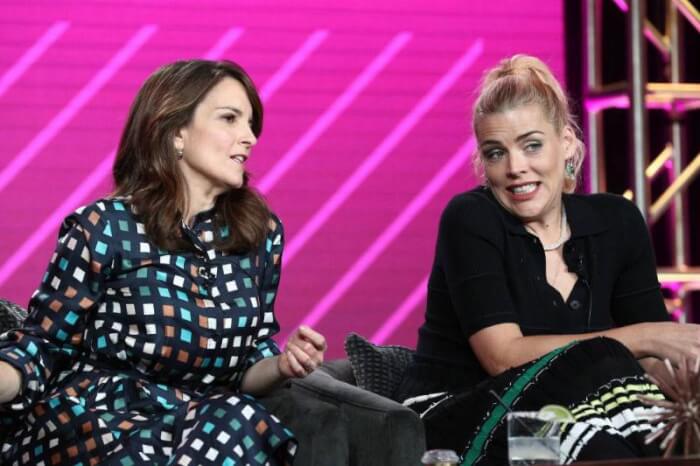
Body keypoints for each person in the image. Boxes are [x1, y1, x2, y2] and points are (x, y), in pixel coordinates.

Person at [0, 59, 327, 466]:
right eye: (230, 119)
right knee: (232, 423)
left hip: (201, 429)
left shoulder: (261, 236)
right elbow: (43, 345)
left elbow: (246, 364)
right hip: (95, 423)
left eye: (251, 124)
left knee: (238, 419)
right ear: (175, 132)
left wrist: (282, 364)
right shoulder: (105, 226)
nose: (249, 138)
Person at [395, 54, 700, 464]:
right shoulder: (470, 218)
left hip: (574, 403)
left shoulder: (618, 222)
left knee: (661, 432)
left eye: (532, 145)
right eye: (495, 153)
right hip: (464, 412)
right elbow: (502, 357)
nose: (515, 168)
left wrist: (686, 386)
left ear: (567, 143)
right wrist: (645, 337)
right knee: (596, 406)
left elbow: (652, 360)